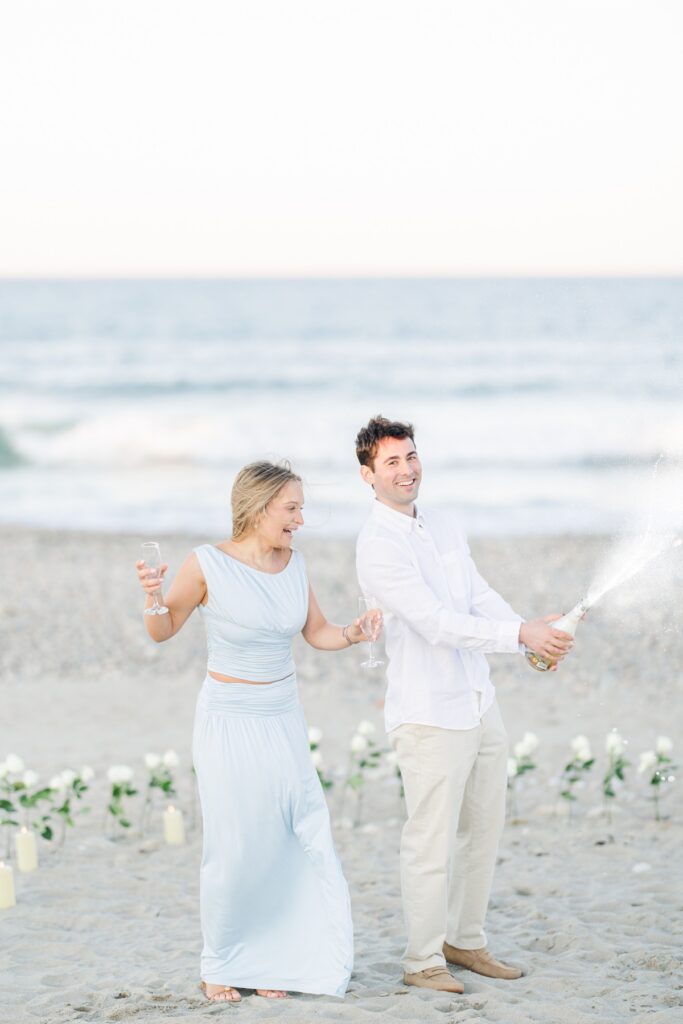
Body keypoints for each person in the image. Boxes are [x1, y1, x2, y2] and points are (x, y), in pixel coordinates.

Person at [135, 460, 381, 1003]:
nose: (300, 518)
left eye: (300, 507)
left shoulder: (296, 564)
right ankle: (219, 962)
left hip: (283, 716)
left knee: (289, 837)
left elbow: (318, 633)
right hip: (228, 719)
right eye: (291, 507)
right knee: (235, 841)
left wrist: (355, 631)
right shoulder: (206, 564)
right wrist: (153, 595)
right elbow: (162, 630)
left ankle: (276, 959)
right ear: (257, 507)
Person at [354, 416, 572, 994]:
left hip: (479, 701)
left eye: (411, 457)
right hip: (429, 711)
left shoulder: (445, 524)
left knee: (483, 829)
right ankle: (422, 960)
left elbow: (477, 595)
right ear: (368, 476)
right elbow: (435, 624)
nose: (406, 469)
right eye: (392, 462)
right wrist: (517, 636)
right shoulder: (377, 545)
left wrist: (526, 628)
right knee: (429, 840)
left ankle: (464, 941)